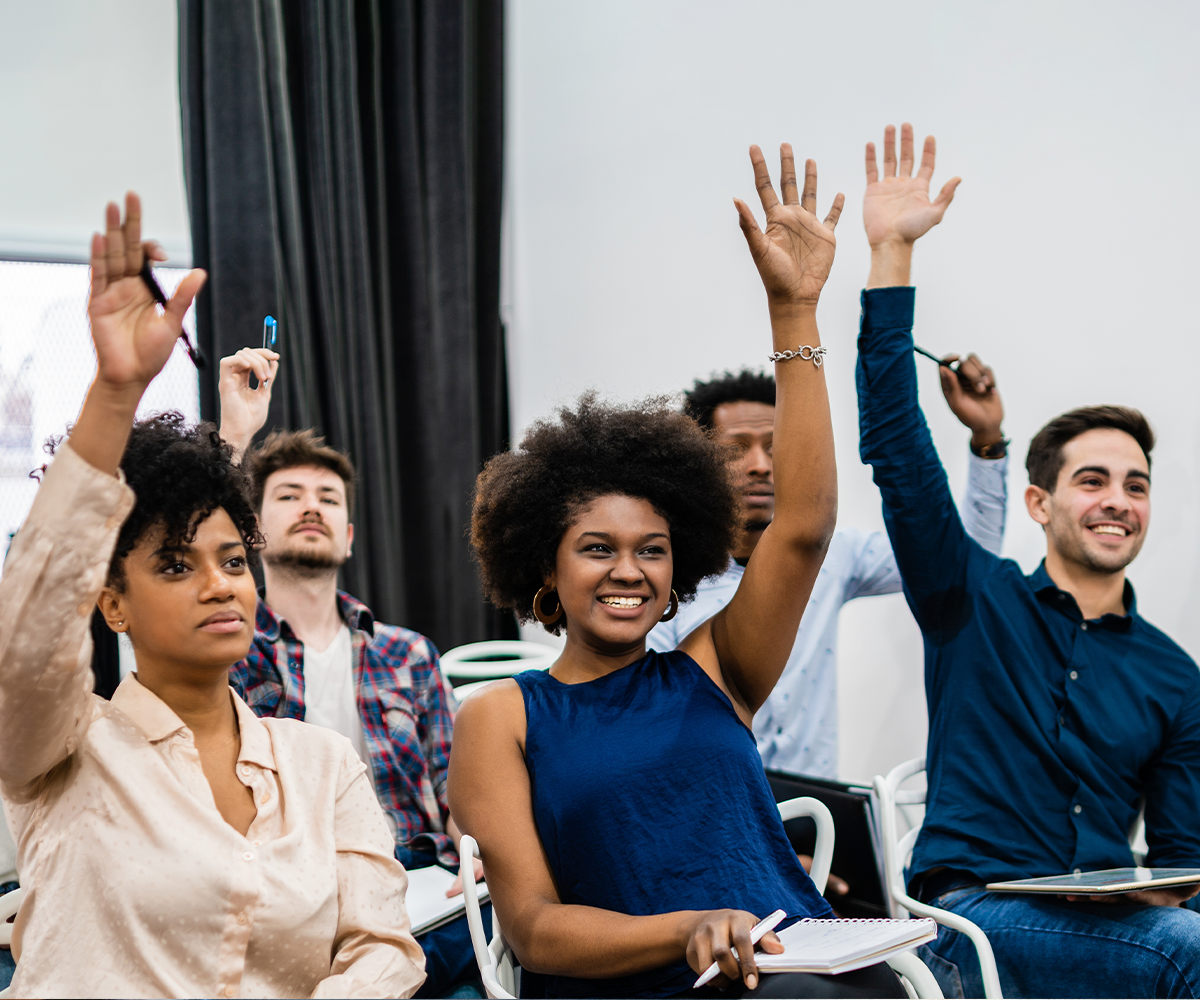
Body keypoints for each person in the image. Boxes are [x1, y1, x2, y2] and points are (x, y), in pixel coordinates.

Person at [450, 145, 906, 999]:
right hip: (649, 984)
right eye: (597, 548)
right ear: (543, 564)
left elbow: (803, 529)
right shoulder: (499, 718)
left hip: (795, 966)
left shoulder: (713, 668)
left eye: (652, 549)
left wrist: (795, 312)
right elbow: (536, 930)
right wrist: (692, 930)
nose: (630, 571)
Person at [0, 194, 425, 998]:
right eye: (174, 567)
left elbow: (384, 950)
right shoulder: (61, 748)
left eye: (234, 561)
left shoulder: (320, 765)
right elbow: (31, 626)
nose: (218, 584)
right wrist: (115, 396)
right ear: (112, 603)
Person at [855, 123, 1200, 997]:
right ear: (1042, 504)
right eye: (1093, 480)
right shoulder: (972, 595)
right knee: (1186, 952)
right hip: (972, 920)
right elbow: (899, 452)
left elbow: (1186, 854)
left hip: (1118, 923)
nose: (1118, 499)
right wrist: (892, 255)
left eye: (1136, 484)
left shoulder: (1174, 675)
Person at [218, 363, 488, 1000]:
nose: (311, 505)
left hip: (417, 878)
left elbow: (456, 786)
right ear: (252, 529)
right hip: (287, 887)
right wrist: (234, 435)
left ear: (348, 536)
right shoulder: (225, 648)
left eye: (328, 499)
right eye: (288, 495)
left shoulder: (409, 653)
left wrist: (476, 853)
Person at [649, 364, 1008, 780]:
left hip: (816, 811)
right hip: (708, 804)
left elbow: (961, 559)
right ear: (697, 464)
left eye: (775, 445)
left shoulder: (832, 555)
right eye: (735, 449)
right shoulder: (665, 570)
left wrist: (988, 441)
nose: (760, 465)